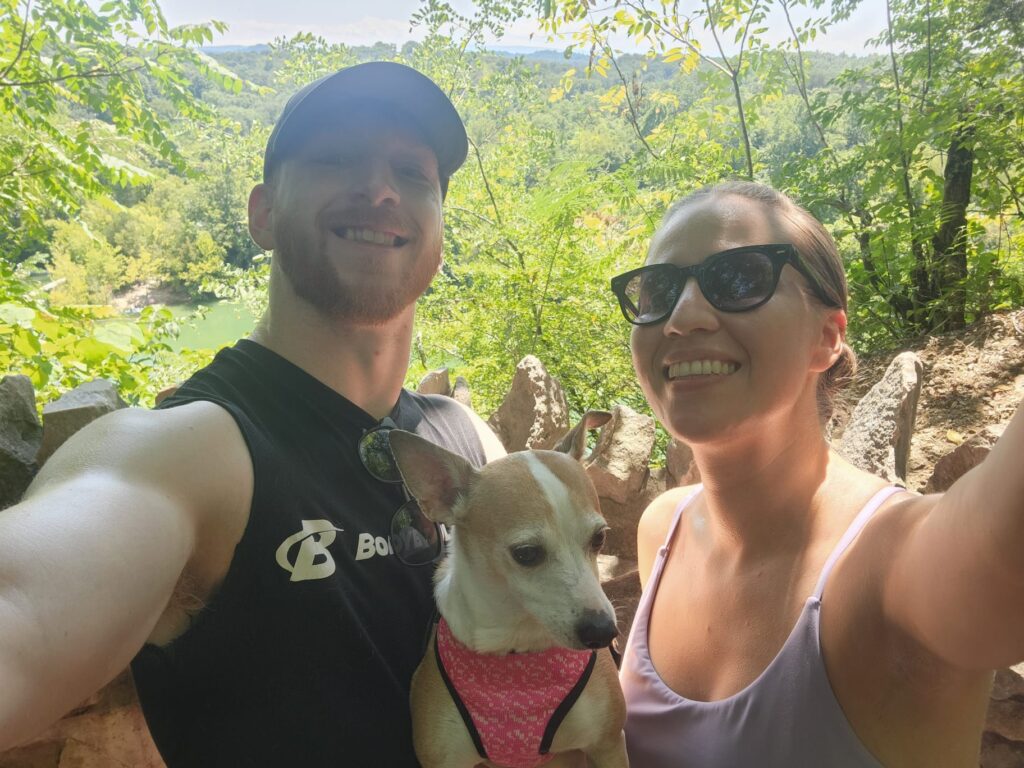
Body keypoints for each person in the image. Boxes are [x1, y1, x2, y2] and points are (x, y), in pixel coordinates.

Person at [0, 62, 505, 765]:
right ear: (262, 214)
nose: (381, 189)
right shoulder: (193, 450)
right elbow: (24, 601)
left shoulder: (468, 439)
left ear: (439, 228)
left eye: (412, 174)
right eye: (335, 159)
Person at [611, 181, 1024, 767]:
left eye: (739, 279)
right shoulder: (662, 529)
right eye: (658, 289)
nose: (682, 317)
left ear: (827, 336)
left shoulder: (893, 566)